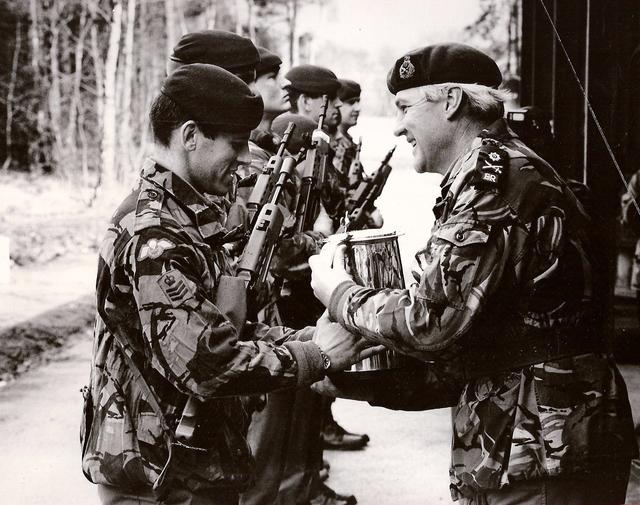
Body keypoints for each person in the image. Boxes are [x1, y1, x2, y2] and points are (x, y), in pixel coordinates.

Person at [310, 43, 637, 505]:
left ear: (451, 102)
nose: (400, 126)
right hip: (534, 440)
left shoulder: (494, 182)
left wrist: (339, 293)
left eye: (405, 107)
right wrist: (351, 379)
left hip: (543, 447)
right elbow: (477, 340)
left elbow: (434, 322)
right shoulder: (491, 173)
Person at [79, 63, 377, 505]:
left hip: (191, 466)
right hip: (158, 477)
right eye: (235, 144)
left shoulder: (191, 216)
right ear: (191, 135)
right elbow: (207, 363)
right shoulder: (155, 235)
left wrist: (307, 337)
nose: (243, 159)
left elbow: (220, 326)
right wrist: (314, 355)